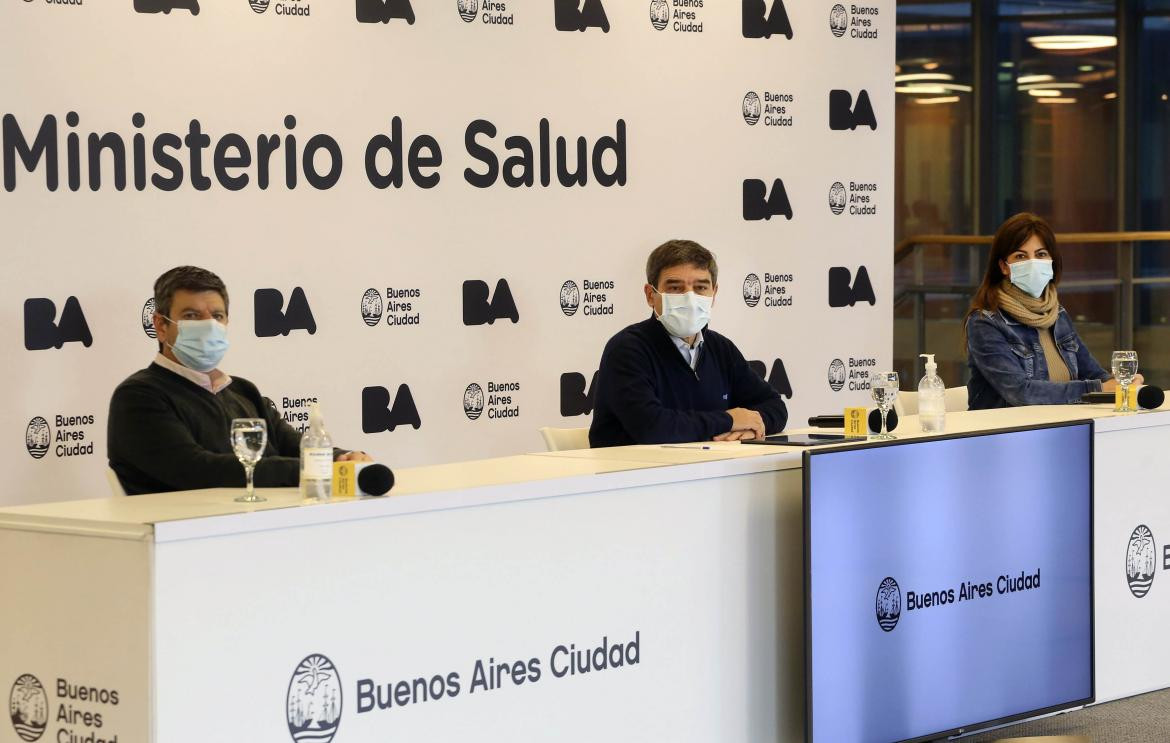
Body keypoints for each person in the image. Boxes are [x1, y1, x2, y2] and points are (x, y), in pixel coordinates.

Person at [108, 266, 371, 495]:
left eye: (217, 316)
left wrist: (341, 459)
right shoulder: (139, 396)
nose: (208, 325)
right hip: (184, 540)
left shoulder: (242, 391)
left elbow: (293, 446)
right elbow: (198, 470)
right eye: (191, 316)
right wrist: (318, 467)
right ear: (161, 326)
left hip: (256, 528)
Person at [589, 239, 788, 447]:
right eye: (675, 287)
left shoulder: (720, 348)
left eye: (701, 287)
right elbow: (652, 427)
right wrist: (730, 421)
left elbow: (775, 407)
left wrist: (751, 427)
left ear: (714, 294)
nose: (690, 298)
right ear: (650, 295)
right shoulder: (627, 349)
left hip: (709, 473)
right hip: (634, 475)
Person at [965, 213, 1139, 409]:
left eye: (1041, 254)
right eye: (1021, 256)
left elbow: (1092, 373)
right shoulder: (985, 322)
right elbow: (1021, 392)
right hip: (1006, 433)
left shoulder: (1057, 314)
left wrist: (1123, 383)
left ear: (1052, 261)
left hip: (1065, 424)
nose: (1032, 263)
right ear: (1004, 267)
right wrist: (1102, 386)